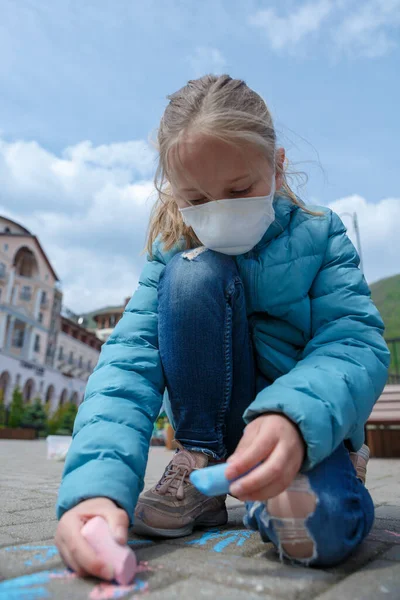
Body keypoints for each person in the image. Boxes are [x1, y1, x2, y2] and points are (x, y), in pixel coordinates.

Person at [55, 74, 390, 577]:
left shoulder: (322, 235)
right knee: (191, 273)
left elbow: (353, 341)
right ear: (173, 191)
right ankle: (200, 463)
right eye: (195, 198)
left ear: (276, 169)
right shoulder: (170, 249)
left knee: (318, 531)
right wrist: (94, 492)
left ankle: (292, 485)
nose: (218, 212)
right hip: (215, 428)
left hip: (300, 427)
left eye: (239, 189)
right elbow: (127, 363)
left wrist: (294, 420)